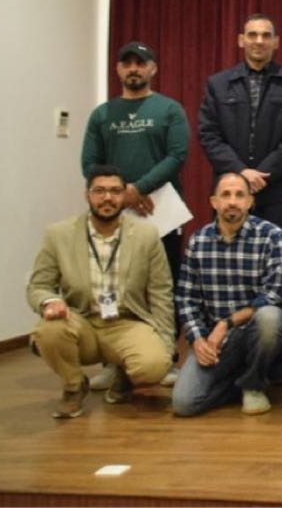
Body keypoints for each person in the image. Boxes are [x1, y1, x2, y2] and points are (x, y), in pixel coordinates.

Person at [81, 40, 189, 389]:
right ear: (118, 69)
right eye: (127, 63)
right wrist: (120, 194)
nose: (133, 69)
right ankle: (114, 362)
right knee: (113, 285)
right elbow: (89, 163)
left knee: (162, 286)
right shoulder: (102, 114)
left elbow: (177, 155)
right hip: (112, 215)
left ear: (152, 68)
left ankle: (166, 356)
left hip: (162, 213)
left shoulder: (169, 109)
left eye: (140, 63)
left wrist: (139, 188)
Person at [26, 165, 174, 418]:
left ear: (124, 195)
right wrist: (49, 302)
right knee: (48, 331)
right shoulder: (58, 234)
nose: (107, 198)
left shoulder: (146, 235)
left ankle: (124, 374)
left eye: (115, 191)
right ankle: (73, 386)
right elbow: (39, 285)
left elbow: (161, 292)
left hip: (126, 322)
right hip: (80, 321)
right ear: (87, 195)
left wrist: (167, 345)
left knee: (154, 365)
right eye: (100, 191)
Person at [172, 172, 282, 416]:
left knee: (270, 317)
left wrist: (226, 323)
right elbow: (186, 299)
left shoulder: (272, 236)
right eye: (225, 195)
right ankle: (240, 381)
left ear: (250, 201)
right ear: (214, 202)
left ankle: (254, 385)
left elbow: (273, 295)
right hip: (215, 342)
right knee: (184, 404)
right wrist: (197, 340)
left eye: (239, 195)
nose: (232, 201)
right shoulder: (198, 241)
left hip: (253, 333)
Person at [198, 13, 282, 243]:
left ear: (276, 42)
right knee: (227, 256)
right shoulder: (218, 85)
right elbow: (209, 134)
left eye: (266, 35)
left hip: (277, 192)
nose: (259, 41)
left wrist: (260, 175)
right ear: (241, 40)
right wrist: (241, 172)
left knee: (277, 257)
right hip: (230, 192)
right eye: (252, 35)